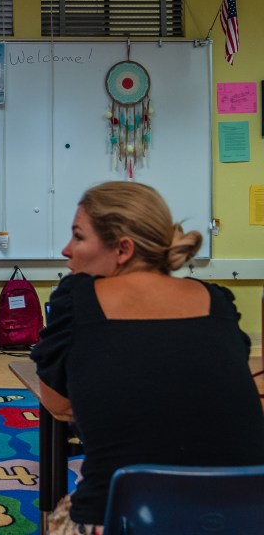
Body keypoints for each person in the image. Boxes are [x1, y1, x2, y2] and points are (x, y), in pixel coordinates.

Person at [30, 181, 264, 535]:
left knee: (59, 514)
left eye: (78, 236)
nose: (66, 250)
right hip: (243, 518)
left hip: (121, 518)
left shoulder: (76, 299)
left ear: (123, 249)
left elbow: (58, 403)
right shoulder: (217, 301)